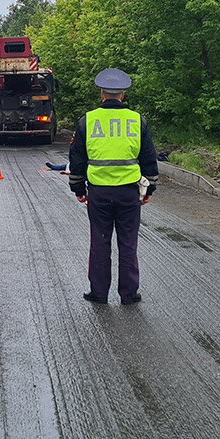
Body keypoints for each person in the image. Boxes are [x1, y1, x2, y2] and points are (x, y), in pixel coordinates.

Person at [68, 68, 159, 305]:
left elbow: (77, 159)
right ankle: (129, 294)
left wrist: (79, 189)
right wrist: (149, 189)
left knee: (100, 242)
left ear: (101, 94)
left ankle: (98, 293)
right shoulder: (137, 121)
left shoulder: (87, 121)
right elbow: (149, 158)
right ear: (123, 95)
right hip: (129, 193)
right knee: (128, 243)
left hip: (98, 192)